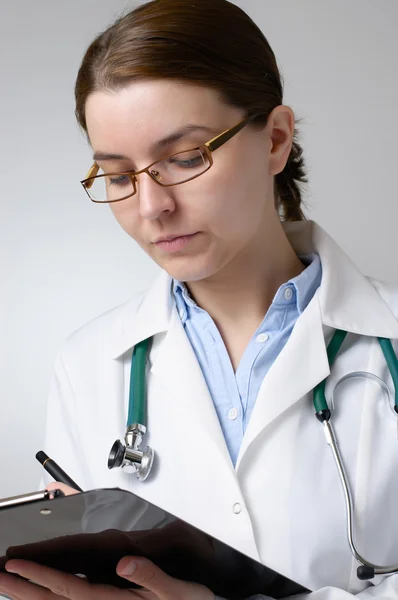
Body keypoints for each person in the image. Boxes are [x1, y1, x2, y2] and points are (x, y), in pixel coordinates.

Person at [1, 0, 398, 598]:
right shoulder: (89, 364)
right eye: (117, 175)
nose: (151, 206)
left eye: (185, 158)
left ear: (276, 140)